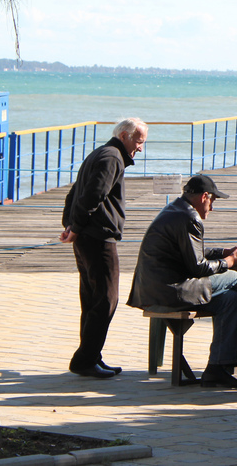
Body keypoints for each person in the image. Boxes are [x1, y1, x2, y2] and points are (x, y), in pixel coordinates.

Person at [127, 175, 237, 389]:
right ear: (204, 197)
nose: (211, 207)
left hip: (153, 289)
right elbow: (198, 266)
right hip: (172, 290)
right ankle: (234, 348)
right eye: (212, 201)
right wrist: (230, 261)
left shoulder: (174, 209)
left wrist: (223, 252)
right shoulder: (190, 217)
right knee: (235, 278)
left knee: (231, 300)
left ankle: (218, 367)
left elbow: (193, 253)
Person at [60, 117, 148, 379]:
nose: (140, 148)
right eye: (139, 141)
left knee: (92, 299)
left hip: (86, 236)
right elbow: (92, 194)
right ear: (124, 136)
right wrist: (74, 227)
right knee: (107, 299)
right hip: (97, 238)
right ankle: (85, 359)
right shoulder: (112, 157)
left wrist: (71, 225)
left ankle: (90, 356)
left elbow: (73, 192)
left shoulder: (101, 153)